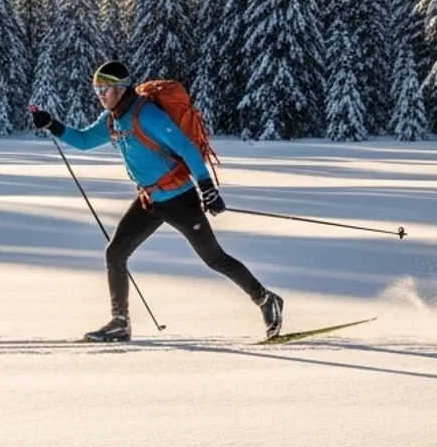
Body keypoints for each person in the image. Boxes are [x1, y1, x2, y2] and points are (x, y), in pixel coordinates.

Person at [31, 59, 284, 341]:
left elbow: (186, 149)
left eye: (106, 88)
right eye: (96, 89)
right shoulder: (113, 119)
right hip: (149, 200)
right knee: (115, 253)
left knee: (214, 258)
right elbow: (84, 141)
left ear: (122, 88)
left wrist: (206, 188)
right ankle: (119, 322)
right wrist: (52, 124)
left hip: (178, 198)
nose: (100, 94)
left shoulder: (147, 114)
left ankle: (265, 300)